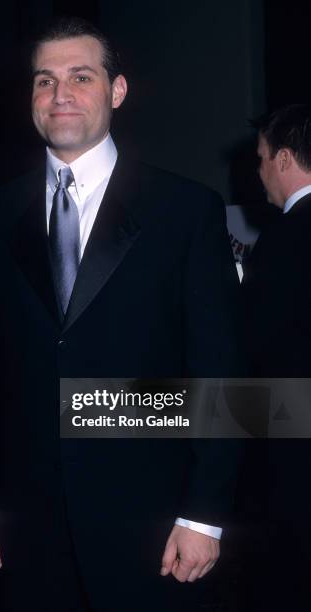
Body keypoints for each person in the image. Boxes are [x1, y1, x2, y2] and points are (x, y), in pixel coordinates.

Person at [0, 16, 245, 612]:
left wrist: (206, 514)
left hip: (156, 525)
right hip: (22, 527)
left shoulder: (184, 211)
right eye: (44, 80)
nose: (60, 95)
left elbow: (220, 369)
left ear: (117, 91)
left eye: (80, 77)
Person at [243, 104, 311, 611]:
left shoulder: (283, 239)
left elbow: (257, 345)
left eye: (263, 158)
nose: (259, 171)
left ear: (285, 158)